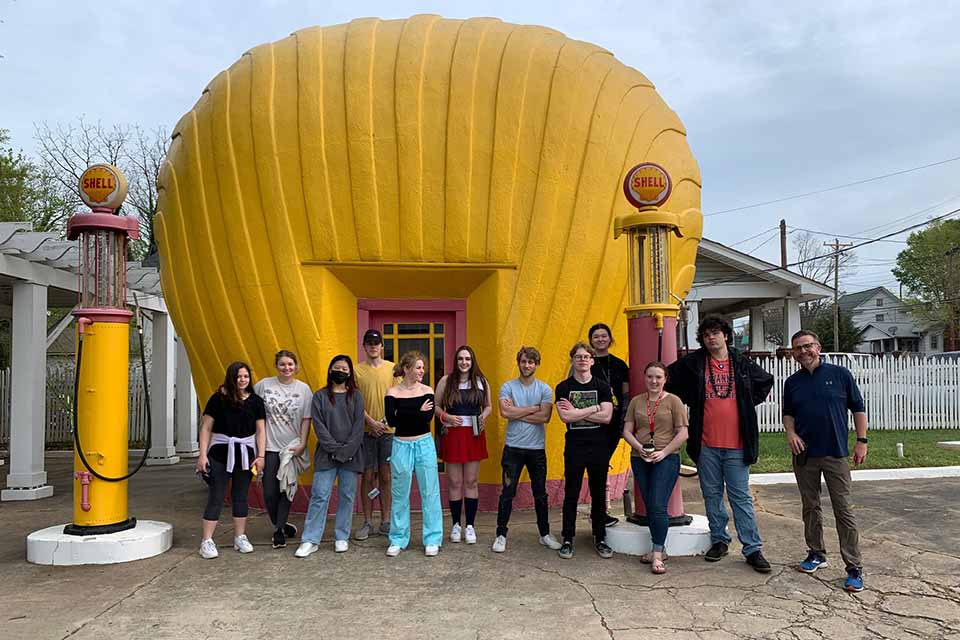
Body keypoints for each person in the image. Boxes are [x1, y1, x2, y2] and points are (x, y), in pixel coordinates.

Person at [665, 316, 774, 573]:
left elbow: (766, 381)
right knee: (712, 495)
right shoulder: (696, 363)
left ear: (726, 335)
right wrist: (691, 398)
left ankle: (752, 548)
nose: (711, 338)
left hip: (737, 444)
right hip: (706, 445)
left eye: (715, 333)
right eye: (706, 335)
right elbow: (668, 376)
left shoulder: (741, 363)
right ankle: (719, 540)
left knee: (741, 497)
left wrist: (747, 402)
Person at [783, 329, 868, 592]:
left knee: (843, 510)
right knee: (810, 507)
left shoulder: (839, 375)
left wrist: (861, 441)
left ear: (818, 347)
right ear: (793, 354)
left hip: (835, 453)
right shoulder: (792, 382)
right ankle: (816, 554)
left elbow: (858, 407)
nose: (803, 352)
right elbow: (788, 414)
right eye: (797, 348)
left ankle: (854, 567)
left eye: (807, 346)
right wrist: (791, 433)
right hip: (805, 455)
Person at [492, 346, 561, 553]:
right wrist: (533, 408)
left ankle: (545, 534)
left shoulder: (545, 389)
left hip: (536, 450)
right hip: (513, 449)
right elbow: (505, 412)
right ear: (518, 363)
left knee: (540, 494)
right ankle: (501, 535)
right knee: (507, 493)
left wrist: (517, 412)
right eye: (523, 361)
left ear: (537, 364)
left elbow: (545, 417)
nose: (527, 365)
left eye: (531, 362)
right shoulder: (507, 387)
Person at [294, 355, 365, 557]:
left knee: (347, 496)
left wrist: (346, 452)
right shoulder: (320, 396)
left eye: (344, 369)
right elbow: (319, 427)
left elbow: (358, 428)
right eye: (337, 367)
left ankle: (341, 537)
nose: (340, 371)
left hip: (351, 456)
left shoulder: (356, 396)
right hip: (327, 455)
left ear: (349, 373)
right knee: (319, 495)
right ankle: (310, 539)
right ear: (330, 370)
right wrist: (336, 450)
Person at [622, 362, 688, 574]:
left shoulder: (674, 401)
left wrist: (664, 452)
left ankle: (657, 553)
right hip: (640, 457)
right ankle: (659, 547)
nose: (654, 381)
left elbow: (683, 433)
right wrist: (639, 448)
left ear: (665, 379)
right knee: (651, 504)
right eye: (650, 376)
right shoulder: (636, 402)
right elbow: (627, 430)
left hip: (666, 458)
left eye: (658, 377)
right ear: (644, 378)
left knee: (658, 504)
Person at [195, 361, 266, 559]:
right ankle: (207, 540)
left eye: (245, 376)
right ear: (231, 377)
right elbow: (206, 427)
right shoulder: (218, 398)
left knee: (241, 496)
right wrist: (202, 455)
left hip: (245, 455)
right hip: (219, 453)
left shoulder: (256, 401)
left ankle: (240, 536)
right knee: (216, 495)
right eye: (238, 376)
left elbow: (261, 430)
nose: (242, 380)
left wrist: (260, 456)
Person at [555, 342, 615, 560]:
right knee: (571, 492)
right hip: (574, 446)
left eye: (586, 357)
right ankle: (568, 538)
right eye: (578, 357)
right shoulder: (563, 388)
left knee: (598, 493)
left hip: (598, 446)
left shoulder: (602, 386)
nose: (582, 360)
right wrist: (595, 408)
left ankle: (600, 537)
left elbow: (607, 417)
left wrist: (579, 411)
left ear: (592, 360)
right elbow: (565, 417)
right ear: (572, 360)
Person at [384, 351, 443, 557]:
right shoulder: (392, 392)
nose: (422, 371)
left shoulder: (427, 390)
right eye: (418, 367)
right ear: (407, 369)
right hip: (401, 445)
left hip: (424, 444)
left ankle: (433, 538)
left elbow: (426, 418)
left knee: (430, 491)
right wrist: (416, 411)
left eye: (423, 368)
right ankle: (398, 538)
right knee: (400, 493)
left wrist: (405, 413)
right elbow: (391, 420)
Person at [254, 350, 312, 549]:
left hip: (290, 448)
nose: (286, 368)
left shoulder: (303, 389)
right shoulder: (263, 385)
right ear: (276, 366)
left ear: (296, 366)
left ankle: (278, 530)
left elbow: (306, 419)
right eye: (282, 364)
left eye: (290, 364)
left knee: (286, 489)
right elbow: (251, 408)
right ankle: (280, 522)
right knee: (269, 492)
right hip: (269, 446)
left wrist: (302, 443)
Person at [436, 345, 492, 545]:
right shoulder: (446, 381)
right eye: (460, 359)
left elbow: (488, 406)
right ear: (456, 361)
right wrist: (447, 416)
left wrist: (483, 417)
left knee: (471, 482)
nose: (464, 362)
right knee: (454, 482)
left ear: (472, 360)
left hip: (474, 435)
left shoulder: (481, 381)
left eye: (467, 359)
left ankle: (470, 526)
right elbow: (436, 407)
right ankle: (455, 525)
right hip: (452, 434)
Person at [354, 329, 397, 541]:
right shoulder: (356, 370)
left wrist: (385, 422)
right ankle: (367, 521)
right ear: (364, 346)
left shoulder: (392, 368)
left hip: (388, 431)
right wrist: (370, 422)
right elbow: (354, 401)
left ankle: (386, 521)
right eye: (369, 343)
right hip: (365, 431)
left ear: (382, 346)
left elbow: (398, 397)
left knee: (387, 475)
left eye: (376, 343)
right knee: (368, 476)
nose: (373, 346)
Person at [588, 322, 630, 527]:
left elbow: (625, 395)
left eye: (604, 336)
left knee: (602, 466)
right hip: (592, 423)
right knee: (597, 467)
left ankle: (599, 512)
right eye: (596, 337)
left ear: (610, 339)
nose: (600, 339)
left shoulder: (620, 365)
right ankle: (598, 513)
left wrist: (624, 422)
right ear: (591, 341)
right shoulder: (586, 363)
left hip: (613, 424)